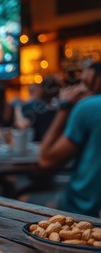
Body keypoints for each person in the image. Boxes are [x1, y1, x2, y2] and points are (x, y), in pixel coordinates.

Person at [39, 62, 101, 217]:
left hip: (82, 210)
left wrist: (64, 106)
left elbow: (46, 160)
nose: (78, 89)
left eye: (84, 83)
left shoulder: (89, 107)